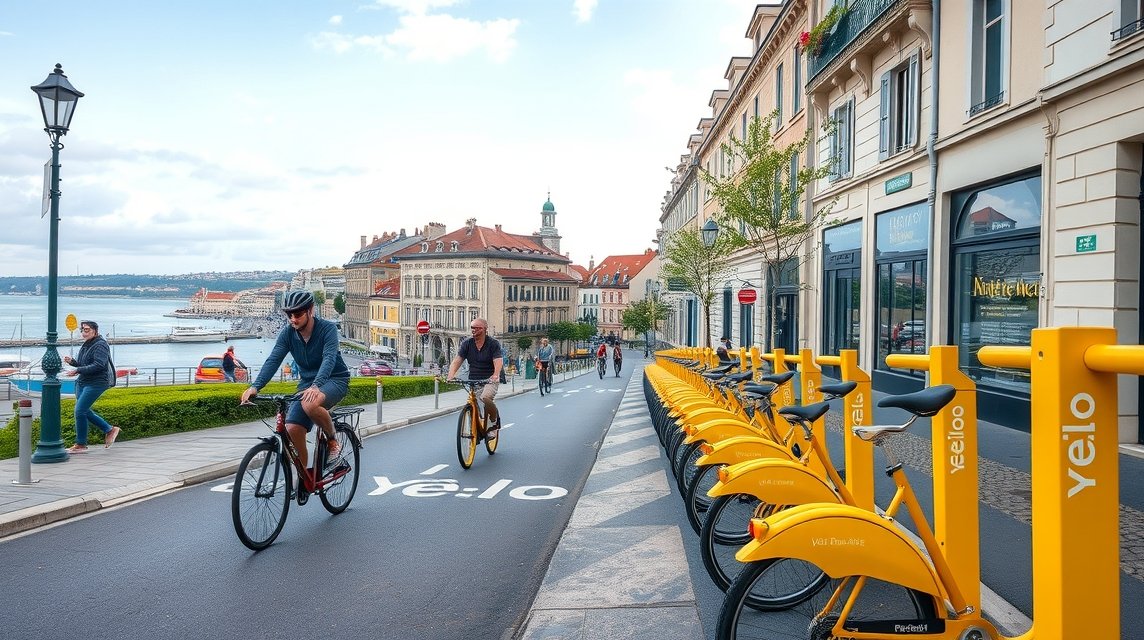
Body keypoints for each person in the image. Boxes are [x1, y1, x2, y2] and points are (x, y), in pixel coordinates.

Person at [240, 291, 351, 475]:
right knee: (291, 429)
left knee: (310, 403)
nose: (293, 319)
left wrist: (316, 385)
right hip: (307, 384)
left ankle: (332, 441)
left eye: (298, 314)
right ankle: (304, 477)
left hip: (335, 378)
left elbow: (329, 359)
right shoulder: (287, 334)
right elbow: (273, 360)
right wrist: (255, 387)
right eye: (289, 314)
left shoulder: (327, 329)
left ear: (310, 310)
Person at [62, 320, 120, 453]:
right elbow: (84, 364)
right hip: (83, 381)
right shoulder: (87, 344)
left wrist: (77, 370)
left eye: (87, 330)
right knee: (84, 410)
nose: (84, 332)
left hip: (97, 382)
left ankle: (81, 444)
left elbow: (99, 365)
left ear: (95, 331)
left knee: (79, 411)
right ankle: (109, 430)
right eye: (82, 330)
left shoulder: (101, 345)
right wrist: (73, 363)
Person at [446, 317, 503, 440]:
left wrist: (495, 374)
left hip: (489, 379)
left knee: (485, 398)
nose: (474, 330)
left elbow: (498, 361)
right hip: (474, 379)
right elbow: (457, 360)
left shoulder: (493, 344)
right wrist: (451, 375)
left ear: (485, 329)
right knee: (474, 405)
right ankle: (475, 429)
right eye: (472, 327)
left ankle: (493, 424)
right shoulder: (467, 343)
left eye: (477, 328)